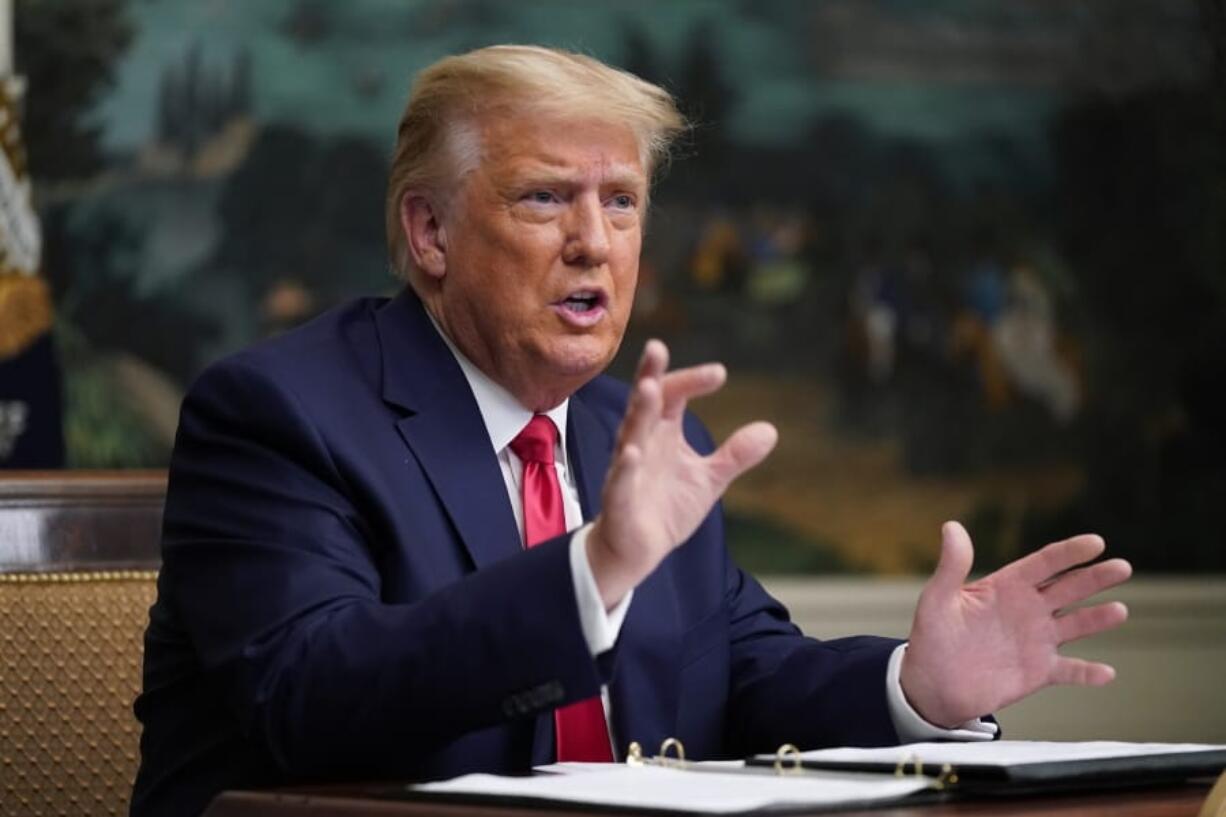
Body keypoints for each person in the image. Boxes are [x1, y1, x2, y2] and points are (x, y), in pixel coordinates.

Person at [130, 46, 1131, 817]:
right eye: (544, 198)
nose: (593, 242)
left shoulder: (629, 429)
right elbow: (308, 695)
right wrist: (590, 573)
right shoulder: (277, 415)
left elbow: (738, 672)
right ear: (428, 233)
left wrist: (914, 686)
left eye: (620, 202)